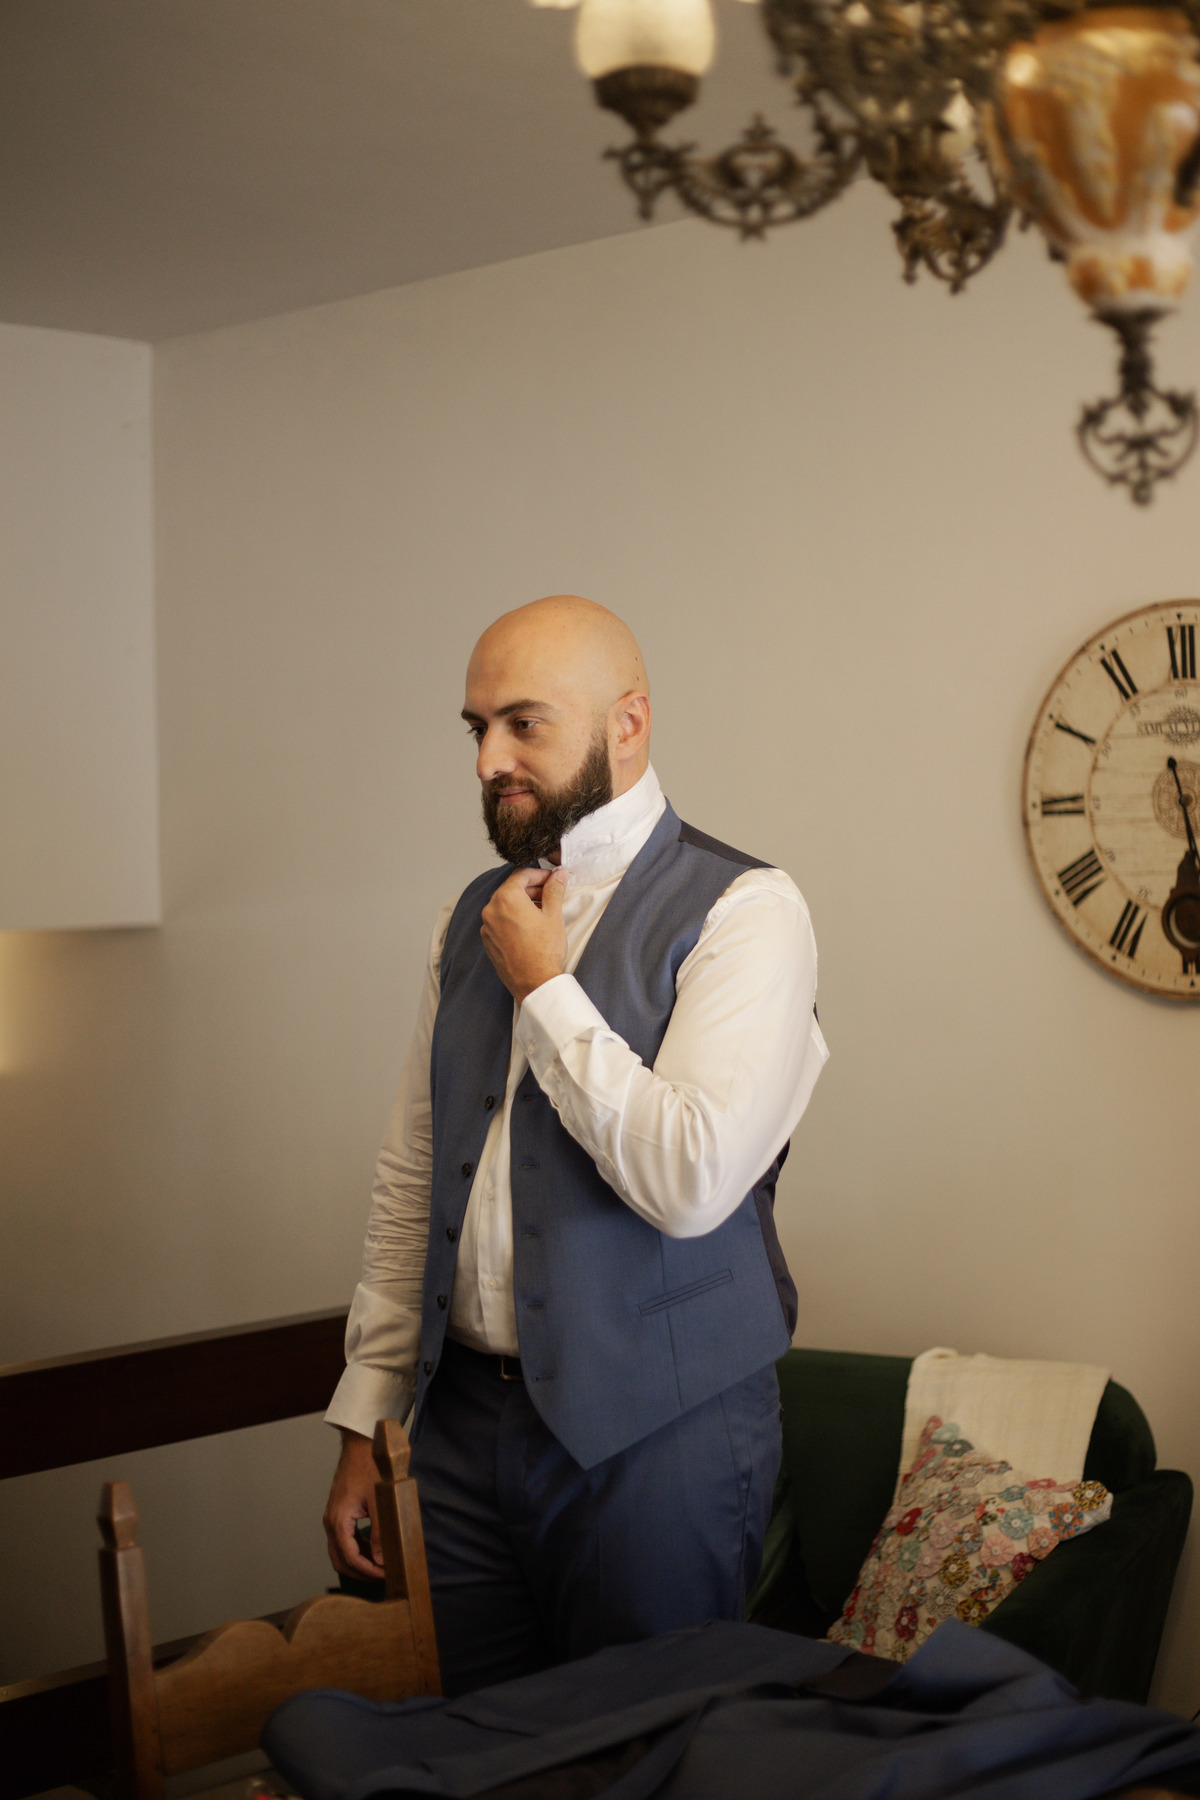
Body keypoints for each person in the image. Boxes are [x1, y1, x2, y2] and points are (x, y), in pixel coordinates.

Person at [322, 594, 828, 1695]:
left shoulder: (750, 911)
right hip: (456, 1432)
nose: (487, 761)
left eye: (524, 724)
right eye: (477, 728)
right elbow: (415, 1175)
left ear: (628, 724)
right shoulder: (468, 917)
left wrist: (546, 988)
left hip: (662, 1437)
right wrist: (368, 1417)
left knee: (643, 1749)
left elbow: (691, 1180)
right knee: (459, 1746)